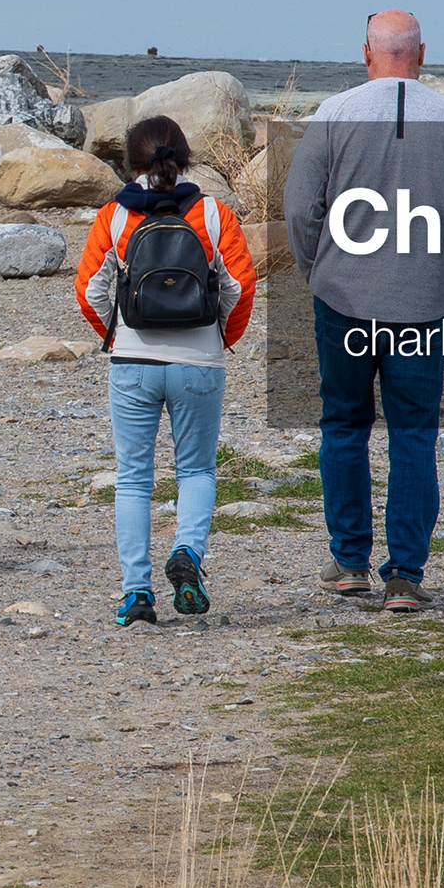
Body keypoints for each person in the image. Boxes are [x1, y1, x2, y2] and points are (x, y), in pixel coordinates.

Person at [282, 8, 444, 614]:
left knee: (344, 426)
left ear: (366, 53)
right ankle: (403, 573)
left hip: (343, 299)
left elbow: (301, 209)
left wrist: (317, 271)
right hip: (422, 303)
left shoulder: (334, 113)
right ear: (421, 54)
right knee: (413, 435)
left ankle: (350, 561)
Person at [71, 112, 259, 627]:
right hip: (199, 360)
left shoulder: (114, 214)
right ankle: (188, 554)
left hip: (132, 359)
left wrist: (113, 335)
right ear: (185, 156)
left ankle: (137, 594)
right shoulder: (214, 213)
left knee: (134, 479)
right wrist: (219, 337)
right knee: (195, 470)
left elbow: (89, 289)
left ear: (130, 161)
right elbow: (239, 287)